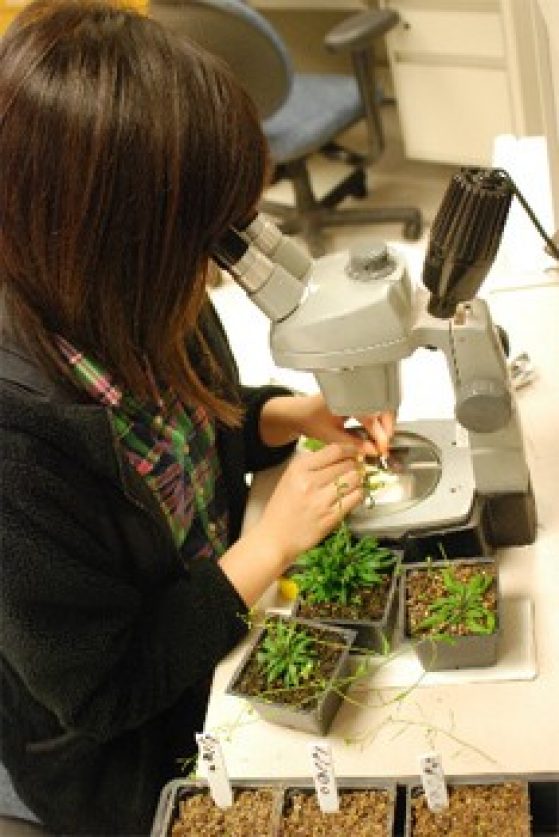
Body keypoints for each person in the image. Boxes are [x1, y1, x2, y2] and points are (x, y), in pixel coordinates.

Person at [0, 1, 394, 833]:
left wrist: (284, 416)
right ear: (119, 243)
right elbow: (104, 693)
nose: (220, 270)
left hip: (211, 627)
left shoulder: (144, 301)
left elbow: (178, 444)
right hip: (129, 754)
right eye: (202, 240)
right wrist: (266, 547)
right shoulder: (16, 451)